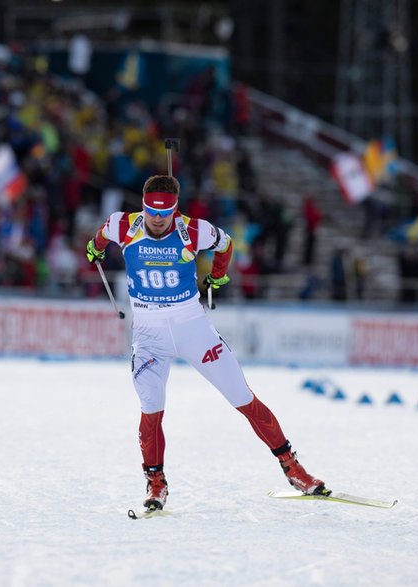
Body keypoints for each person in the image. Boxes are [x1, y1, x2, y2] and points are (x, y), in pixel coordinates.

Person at [85, 174, 330, 512]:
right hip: (149, 336)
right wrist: (95, 248)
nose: (157, 219)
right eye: (151, 212)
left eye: (165, 212)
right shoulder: (122, 225)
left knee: (243, 397)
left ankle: (294, 469)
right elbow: (100, 236)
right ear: (142, 206)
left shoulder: (193, 230)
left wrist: (217, 275)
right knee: (151, 409)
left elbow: (226, 245)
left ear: (175, 209)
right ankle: (156, 483)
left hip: (193, 328)